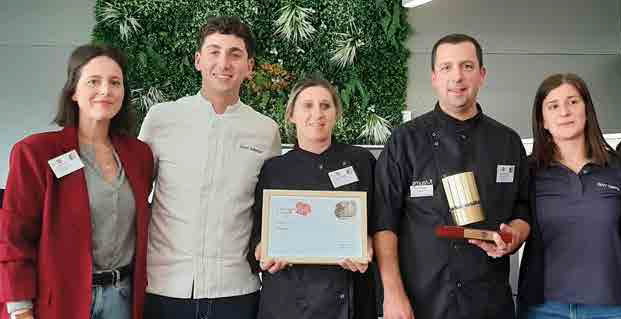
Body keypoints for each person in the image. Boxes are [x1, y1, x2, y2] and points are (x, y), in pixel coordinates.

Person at [373, 33, 531, 319]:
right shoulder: (404, 141)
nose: (457, 76)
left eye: (467, 66)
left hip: (489, 300)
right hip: (422, 300)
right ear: (434, 77)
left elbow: (522, 207)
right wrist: (392, 294)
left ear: (482, 75)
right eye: (447, 67)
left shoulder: (507, 142)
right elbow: (384, 221)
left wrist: (515, 235)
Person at [138, 16, 281, 319]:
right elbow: (135, 196)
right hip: (165, 288)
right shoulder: (162, 118)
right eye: (214, 51)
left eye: (235, 54)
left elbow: (268, 210)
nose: (224, 62)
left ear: (249, 67)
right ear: (198, 60)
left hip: (236, 290)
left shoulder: (265, 130)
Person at [0, 44, 154, 319]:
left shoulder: (139, 155)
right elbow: (14, 238)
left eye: (115, 82)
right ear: (74, 91)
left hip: (123, 299)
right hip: (60, 301)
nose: (105, 90)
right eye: (93, 81)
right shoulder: (36, 153)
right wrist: (19, 308)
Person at [248, 77, 378, 319]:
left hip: (350, 297)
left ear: (336, 114)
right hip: (288, 303)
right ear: (291, 115)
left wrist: (368, 243)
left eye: (325, 106)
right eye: (307, 105)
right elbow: (255, 232)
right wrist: (261, 249)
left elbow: (381, 223)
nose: (317, 113)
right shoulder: (274, 170)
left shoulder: (362, 162)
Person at [517, 73, 621, 318]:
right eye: (553, 106)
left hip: (613, 308)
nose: (564, 112)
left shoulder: (618, 167)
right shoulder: (527, 172)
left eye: (573, 102)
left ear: (587, 109)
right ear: (542, 119)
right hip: (543, 309)